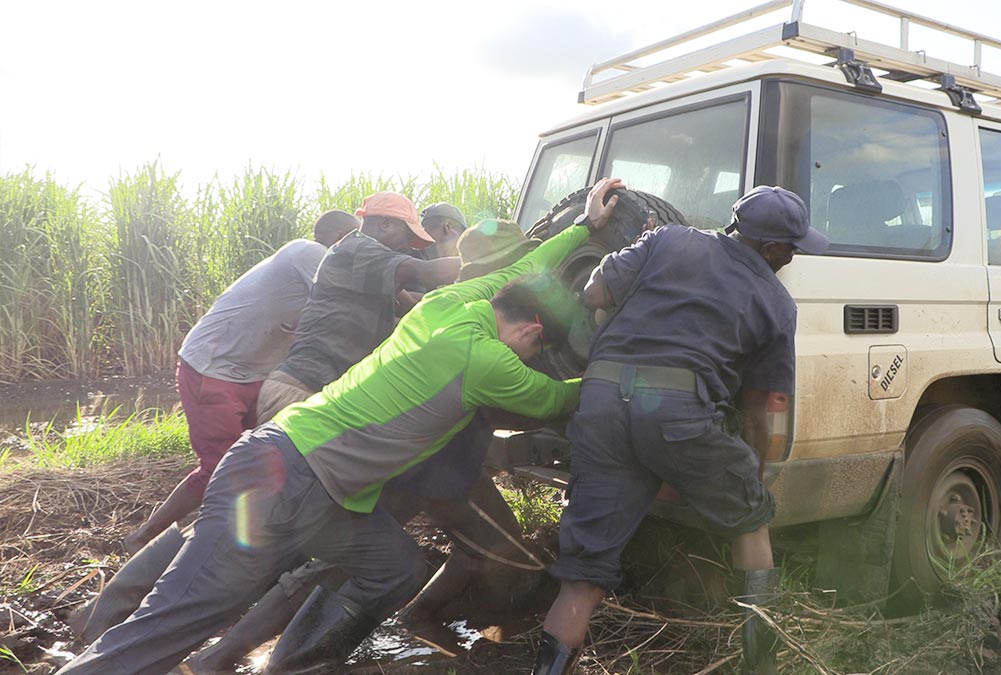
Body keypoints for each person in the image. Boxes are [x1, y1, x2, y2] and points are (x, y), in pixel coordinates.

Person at [57, 178, 622, 675]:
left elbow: (523, 270)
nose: (532, 353)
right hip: (287, 466)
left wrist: (583, 228)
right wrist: (613, 374)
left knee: (395, 564)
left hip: (322, 489)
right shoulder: (483, 356)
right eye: (537, 341)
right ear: (528, 326)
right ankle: (142, 644)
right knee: (186, 612)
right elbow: (554, 398)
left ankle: (282, 658)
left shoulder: (446, 306)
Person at [181, 219, 551, 673]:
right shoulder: (482, 314)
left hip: (395, 459)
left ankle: (231, 654)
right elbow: (520, 398)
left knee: (328, 564)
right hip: (431, 469)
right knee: (505, 556)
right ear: (504, 266)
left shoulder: (448, 304)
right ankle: (295, 654)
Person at [534, 185, 828, 675]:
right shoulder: (777, 302)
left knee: (583, 576)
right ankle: (762, 665)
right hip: (678, 414)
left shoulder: (668, 239)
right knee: (752, 516)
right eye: (791, 248)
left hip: (601, 402)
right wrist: (749, 473)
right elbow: (761, 407)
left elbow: (593, 293)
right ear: (772, 247)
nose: (793, 256)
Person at [119, 210, 360, 555]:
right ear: (337, 237)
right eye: (354, 239)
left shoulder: (317, 267)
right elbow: (348, 303)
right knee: (220, 467)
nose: (359, 249)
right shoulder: (307, 252)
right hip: (213, 369)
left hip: (255, 373)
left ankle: (232, 535)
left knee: (257, 458)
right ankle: (145, 538)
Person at [255, 191, 461, 422]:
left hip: (320, 393)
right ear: (384, 224)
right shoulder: (357, 249)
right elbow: (427, 272)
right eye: (407, 236)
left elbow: (411, 305)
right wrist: (487, 261)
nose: (408, 246)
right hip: (301, 393)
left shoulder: (370, 267)